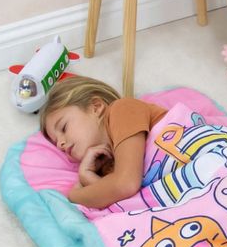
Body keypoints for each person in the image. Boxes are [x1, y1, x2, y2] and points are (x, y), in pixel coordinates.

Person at [40, 77, 167, 208]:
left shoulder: (123, 109)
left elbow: (126, 185)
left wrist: (74, 196)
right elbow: (135, 200)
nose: (60, 144)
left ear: (96, 107)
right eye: (56, 142)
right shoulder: (110, 168)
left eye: (63, 128)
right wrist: (88, 176)